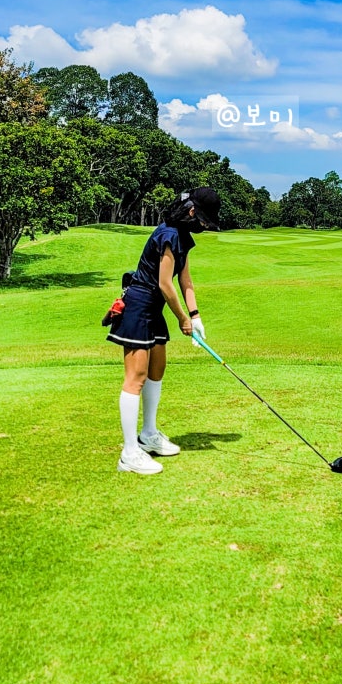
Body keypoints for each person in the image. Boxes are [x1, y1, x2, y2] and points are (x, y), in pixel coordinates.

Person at [107, 186, 221, 475]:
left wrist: (195, 316)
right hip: (138, 306)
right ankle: (129, 453)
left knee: (157, 369)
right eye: (204, 219)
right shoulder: (168, 234)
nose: (205, 225)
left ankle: (148, 435)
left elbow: (185, 281)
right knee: (136, 377)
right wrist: (182, 318)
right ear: (192, 212)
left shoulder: (183, 237)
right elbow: (164, 284)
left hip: (153, 309)